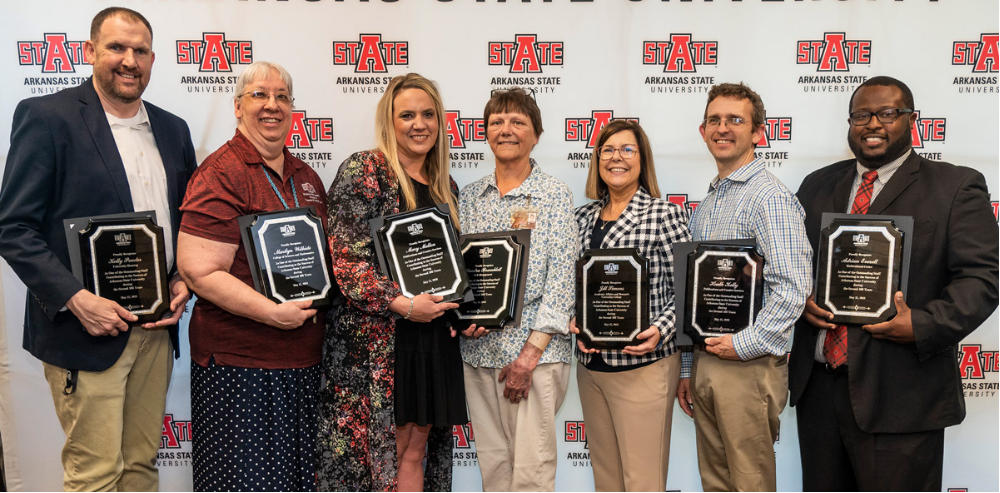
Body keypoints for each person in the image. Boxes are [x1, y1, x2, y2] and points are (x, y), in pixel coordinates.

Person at [0, 7, 196, 491]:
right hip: (84, 331)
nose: (129, 61)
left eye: (141, 51)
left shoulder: (174, 129)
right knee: (96, 477)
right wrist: (75, 299)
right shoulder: (47, 117)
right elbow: (13, 227)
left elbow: (186, 221)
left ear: (153, 59)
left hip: (155, 329)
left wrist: (182, 278)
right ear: (89, 52)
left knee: (139, 468)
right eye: (116, 48)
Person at [789, 76, 999, 491]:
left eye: (887, 114)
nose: (873, 125)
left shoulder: (955, 185)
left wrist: (921, 325)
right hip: (819, 392)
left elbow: (981, 279)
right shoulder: (816, 185)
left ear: (911, 120)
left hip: (903, 394)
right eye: (861, 115)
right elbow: (795, 268)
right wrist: (801, 301)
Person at [176, 61, 326, 491]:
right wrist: (271, 313)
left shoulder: (306, 176)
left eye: (282, 97)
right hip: (242, 366)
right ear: (238, 107)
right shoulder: (221, 172)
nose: (272, 105)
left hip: (302, 362)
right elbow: (198, 270)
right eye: (260, 95)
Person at [316, 73, 467, 492]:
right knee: (380, 460)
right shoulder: (365, 170)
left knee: (417, 452)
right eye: (407, 115)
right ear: (390, 121)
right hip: (380, 342)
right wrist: (400, 303)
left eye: (428, 114)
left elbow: (453, 269)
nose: (419, 124)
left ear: (440, 121)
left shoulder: (446, 188)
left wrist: (467, 310)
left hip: (432, 339)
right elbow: (344, 259)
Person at [674, 82, 812, 492]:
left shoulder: (768, 196)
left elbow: (793, 285)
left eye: (736, 119)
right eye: (714, 120)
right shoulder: (711, 201)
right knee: (716, 481)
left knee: (749, 482)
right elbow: (694, 294)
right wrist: (688, 366)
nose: (723, 128)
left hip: (748, 366)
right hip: (708, 361)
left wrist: (746, 343)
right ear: (702, 131)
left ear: (758, 133)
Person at [458, 87, 577, 491]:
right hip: (478, 354)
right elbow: (462, 272)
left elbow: (562, 282)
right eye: (497, 122)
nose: (506, 130)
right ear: (485, 132)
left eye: (517, 122)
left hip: (534, 356)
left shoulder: (554, 194)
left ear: (536, 134)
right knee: (494, 468)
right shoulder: (470, 196)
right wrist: (462, 316)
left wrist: (529, 356)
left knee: (531, 471)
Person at [568, 120, 691, 491]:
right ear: (597, 159)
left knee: (642, 482)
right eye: (607, 150)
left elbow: (685, 291)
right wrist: (576, 319)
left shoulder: (665, 214)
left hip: (644, 367)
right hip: (592, 370)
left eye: (627, 149)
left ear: (642, 160)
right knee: (607, 481)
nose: (616, 157)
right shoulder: (582, 218)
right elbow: (575, 288)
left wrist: (662, 330)